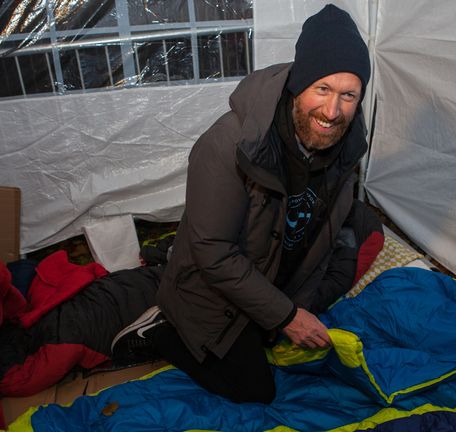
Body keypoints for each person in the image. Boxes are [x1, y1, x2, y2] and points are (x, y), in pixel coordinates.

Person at [112, 4, 372, 404]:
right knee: (256, 391)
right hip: (214, 288)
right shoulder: (228, 145)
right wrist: (286, 316)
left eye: (348, 95)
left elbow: (331, 233)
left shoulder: (346, 148)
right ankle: (162, 328)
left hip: (274, 278)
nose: (332, 111)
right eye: (322, 89)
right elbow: (212, 253)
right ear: (297, 85)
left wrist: (302, 305)